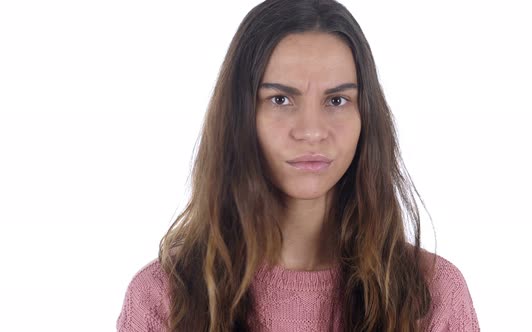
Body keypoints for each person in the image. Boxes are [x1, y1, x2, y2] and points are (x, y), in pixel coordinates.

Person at [117, 0, 480, 331]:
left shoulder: (431, 297)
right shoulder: (165, 298)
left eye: (336, 100)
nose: (311, 131)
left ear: (366, 116)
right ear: (241, 116)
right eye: (280, 99)